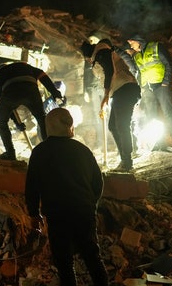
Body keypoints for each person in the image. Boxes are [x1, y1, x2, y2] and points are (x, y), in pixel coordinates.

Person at [25, 107, 109, 286]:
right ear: (69, 126)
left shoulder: (39, 152)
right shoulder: (82, 150)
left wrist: (33, 213)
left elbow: (32, 186)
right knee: (93, 258)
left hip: (57, 215)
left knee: (64, 264)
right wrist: (91, 204)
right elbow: (98, 182)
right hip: (83, 212)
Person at [81, 39, 141, 172]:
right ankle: (124, 159)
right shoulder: (102, 54)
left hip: (125, 89)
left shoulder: (102, 53)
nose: (87, 61)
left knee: (122, 125)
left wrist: (106, 96)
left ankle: (127, 161)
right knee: (113, 126)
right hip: (120, 90)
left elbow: (110, 71)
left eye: (86, 58)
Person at [0, 61, 64, 160]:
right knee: (42, 119)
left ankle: (10, 154)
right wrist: (53, 91)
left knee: (2, 123)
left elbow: (4, 100)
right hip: (31, 91)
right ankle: (49, 152)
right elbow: (42, 74)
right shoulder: (23, 65)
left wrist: (17, 123)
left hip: (11, 92)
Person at [127, 34, 172, 151]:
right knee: (151, 116)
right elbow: (137, 71)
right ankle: (158, 144)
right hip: (148, 88)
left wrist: (166, 82)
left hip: (162, 86)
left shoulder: (156, 47)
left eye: (132, 43)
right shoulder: (137, 55)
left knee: (168, 113)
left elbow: (169, 63)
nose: (131, 46)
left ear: (138, 41)